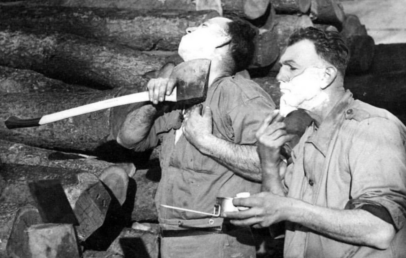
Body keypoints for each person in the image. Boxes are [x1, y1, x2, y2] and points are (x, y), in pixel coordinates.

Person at [225, 27, 406, 258]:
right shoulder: (307, 138)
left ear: (326, 76)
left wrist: (288, 208)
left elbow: (380, 230)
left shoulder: (372, 127)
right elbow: (281, 227)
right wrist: (268, 163)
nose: (280, 77)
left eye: (292, 67)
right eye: (281, 67)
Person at [114, 17, 275, 258]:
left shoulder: (241, 95)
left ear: (225, 42)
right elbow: (127, 139)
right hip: (171, 240)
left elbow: (271, 165)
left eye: (204, 26)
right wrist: (153, 103)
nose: (189, 28)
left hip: (219, 242)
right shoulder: (179, 99)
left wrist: (206, 142)